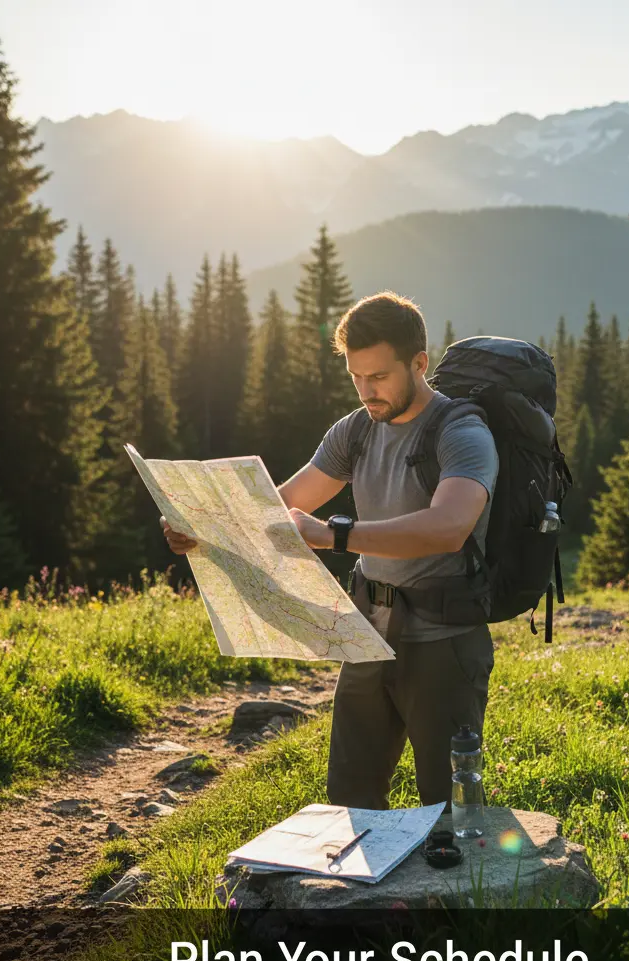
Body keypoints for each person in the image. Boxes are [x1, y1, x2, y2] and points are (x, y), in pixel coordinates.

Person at [163, 291, 498, 810]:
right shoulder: (356, 430)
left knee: (449, 806)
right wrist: (202, 531)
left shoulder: (462, 433)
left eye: (379, 376)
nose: (366, 392)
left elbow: (448, 527)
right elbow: (279, 506)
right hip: (366, 634)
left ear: (419, 363)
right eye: (355, 377)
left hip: (444, 641)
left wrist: (333, 535)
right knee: (350, 799)